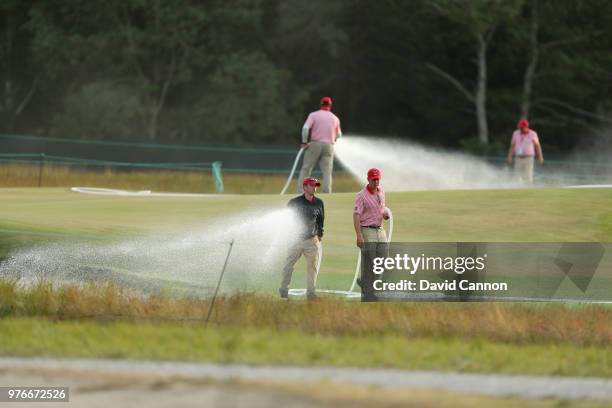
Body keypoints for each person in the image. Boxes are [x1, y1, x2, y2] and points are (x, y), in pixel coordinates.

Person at [280, 177, 325, 300]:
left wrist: (320, 235)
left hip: (312, 241)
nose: (314, 187)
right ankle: (284, 289)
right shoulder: (294, 202)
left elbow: (321, 221)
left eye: (315, 185)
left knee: (313, 268)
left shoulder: (319, 202)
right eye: (311, 185)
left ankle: (311, 294)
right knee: (289, 266)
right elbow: (286, 220)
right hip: (296, 240)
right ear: (304, 187)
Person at [353, 168, 390, 300]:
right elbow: (356, 215)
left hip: (380, 230)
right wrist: (359, 235)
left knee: (384, 259)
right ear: (368, 179)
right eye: (373, 179)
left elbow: (381, 208)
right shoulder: (361, 195)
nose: (376, 182)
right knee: (371, 261)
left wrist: (385, 214)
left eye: (378, 179)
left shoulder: (381, 192)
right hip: (367, 230)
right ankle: (369, 292)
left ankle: (365, 283)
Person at [297, 96, 342, 194]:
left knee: (306, 169)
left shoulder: (314, 115)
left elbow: (305, 128)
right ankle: (327, 193)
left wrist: (304, 142)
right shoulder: (335, 118)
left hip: (315, 144)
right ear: (330, 105)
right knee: (327, 172)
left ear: (321, 104)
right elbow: (339, 135)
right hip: (329, 146)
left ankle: (301, 192)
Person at [507, 119, 544, 185]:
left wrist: (540, 157)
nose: (520, 129)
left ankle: (528, 190)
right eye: (520, 127)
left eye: (522, 128)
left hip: (528, 158)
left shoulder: (533, 134)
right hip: (518, 158)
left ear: (526, 127)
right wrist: (509, 156)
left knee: (528, 176)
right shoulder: (515, 133)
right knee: (517, 176)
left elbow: (537, 146)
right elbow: (512, 146)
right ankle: (517, 190)